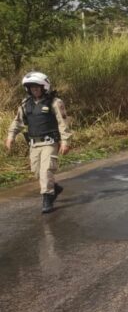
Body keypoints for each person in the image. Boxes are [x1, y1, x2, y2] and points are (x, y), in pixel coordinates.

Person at [5, 72, 72, 213]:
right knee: (37, 172)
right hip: (34, 144)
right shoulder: (25, 104)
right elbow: (17, 122)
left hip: (50, 143)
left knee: (46, 170)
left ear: (44, 87)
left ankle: (47, 199)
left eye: (37, 87)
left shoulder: (55, 102)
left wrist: (65, 141)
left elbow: (63, 123)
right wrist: (11, 136)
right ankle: (54, 187)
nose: (34, 89)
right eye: (31, 87)